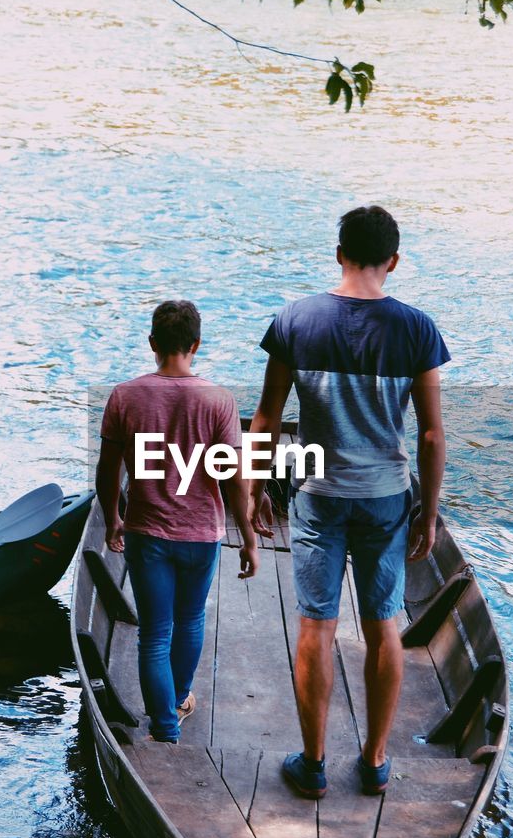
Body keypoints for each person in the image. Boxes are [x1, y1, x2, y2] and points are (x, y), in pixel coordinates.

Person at [249, 206, 449, 797]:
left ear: (339, 252)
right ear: (394, 260)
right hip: (386, 497)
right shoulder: (417, 329)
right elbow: (433, 435)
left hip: (318, 495)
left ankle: (312, 765)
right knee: (384, 624)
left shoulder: (294, 320)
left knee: (317, 623)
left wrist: (255, 485)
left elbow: (266, 416)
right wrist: (429, 511)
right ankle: (374, 762)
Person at [96, 300, 259, 744]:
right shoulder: (219, 400)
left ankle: (165, 727)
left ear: (152, 344)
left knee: (154, 633)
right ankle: (180, 698)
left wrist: (113, 520)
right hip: (201, 534)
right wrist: (247, 537)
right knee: (189, 621)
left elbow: (108, 471)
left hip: (146, 532)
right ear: (196, 345)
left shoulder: (125, 396)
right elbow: (232, 477)